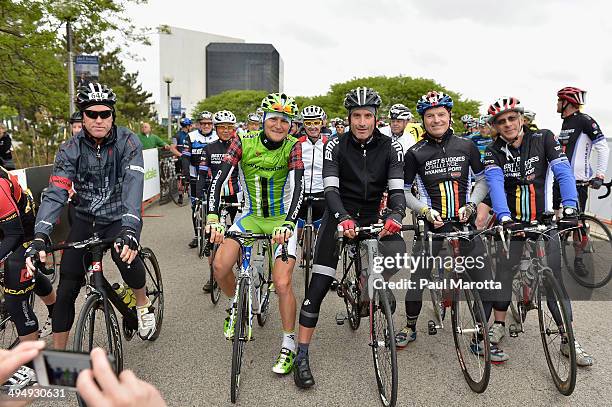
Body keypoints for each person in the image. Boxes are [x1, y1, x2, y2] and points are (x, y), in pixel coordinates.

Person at [24, 82, 156, 349]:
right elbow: (56, 191)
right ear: (82, 116)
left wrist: (130, 229)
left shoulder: (127, 141)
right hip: (85, 219)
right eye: (91, 114)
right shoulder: (70, 149)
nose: (98, 119)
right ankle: (61, 359)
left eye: (104, 113)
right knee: (66, 290)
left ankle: (142, 304)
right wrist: (40, 235)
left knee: (125, 255)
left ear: (112, 115)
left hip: (119, 216)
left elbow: (133, 185)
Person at [293, 87, 407, 388]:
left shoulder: (391, 148)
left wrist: (395, 216)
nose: (361, 122)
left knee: (398, 252)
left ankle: (368, 283)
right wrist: (343, 218)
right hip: (338, 214)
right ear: (349, 118)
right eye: (356, 115)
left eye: (367, 115)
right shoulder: (335, 145)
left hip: (373, 215)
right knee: (317, 287)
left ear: (376, 118)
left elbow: (397, 192)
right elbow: (330, 190)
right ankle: (301, 355)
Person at [483, 96, 593, 366]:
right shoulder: (493, 151)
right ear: (495, 126)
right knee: (505, 272)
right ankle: (498, 324)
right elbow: (496, 185)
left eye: (512, 118)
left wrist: (569, 207)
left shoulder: (544, 138)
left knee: (553, 279)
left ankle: (569, 339)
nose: (507, 124)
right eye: (501, 121)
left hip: (544, 221)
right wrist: (504, 218)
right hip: (514, 223)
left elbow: (563, 172)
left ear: (522, 119)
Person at [206, 93, 304, 375]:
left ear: (290, 125)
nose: (278, 124)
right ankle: (236, 304)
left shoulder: (292, 146)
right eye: (273, 118)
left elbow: (299, 188)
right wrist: (213, 216)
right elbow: (220, 178)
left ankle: (288, 343)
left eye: (284, 121)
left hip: (281, 219)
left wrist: (289, 223)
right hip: (249, 217)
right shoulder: (243, 140)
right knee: (220, 266)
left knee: (283, 283)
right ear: (262, 119)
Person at [398, 91, 500, 360]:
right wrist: (425, 210)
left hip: (464, 223)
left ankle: (480, 336)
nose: (436, 119)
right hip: (432, 224)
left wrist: (472, 205)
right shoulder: (415, 153)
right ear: (423, 119)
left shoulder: (466, 146)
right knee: (418, 280)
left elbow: (483, 180)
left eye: (441, 114)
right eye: (430, 115)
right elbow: (405, 191)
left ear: (449, 116)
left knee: (485, 282)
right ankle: (409, 327)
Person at [197, 110, 241, 293]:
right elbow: (201, 175)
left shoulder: (240, 147)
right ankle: (213, 276)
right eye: (222, 127)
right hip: (215, 196)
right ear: (215, 128)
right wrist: (199, 197)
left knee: (238, 234)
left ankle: (241, 269)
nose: (225, 130)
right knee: (211, 238)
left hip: (235, 195)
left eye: (229, 127)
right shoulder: (208, 148)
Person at [554, 87, 609, 218]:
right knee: (556, 221)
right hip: (559, 179)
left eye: (559, 100)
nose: (556, 103)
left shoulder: (585, 120)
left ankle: (583, 235)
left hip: (577, 182)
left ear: (566, 102)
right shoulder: (566, 122)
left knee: (576, 224)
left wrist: (599, 175)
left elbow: (603, 147)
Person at [183, 111, 218, 248]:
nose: (206, 126)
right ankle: (197, 235)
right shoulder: (191, 136)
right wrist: (185, 173)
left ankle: (213, 233)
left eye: (209, 123)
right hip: (195, 175)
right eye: (203, 123)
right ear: (199, 124)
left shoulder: (217, 136)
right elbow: (185, 156)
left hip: (213, 175)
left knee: (214, 205)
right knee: (195, 205)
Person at [296, 105, 328, 242]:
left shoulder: (329, 144)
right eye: (308, 123)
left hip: (322, 193)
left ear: (322, 123)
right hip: (300, 193)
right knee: (297, 237)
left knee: (321, 238)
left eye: (316, 122)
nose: (312, 127)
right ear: (303, 124)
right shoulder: (296, 144)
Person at [172, 118, 193, 205]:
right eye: (190, 125)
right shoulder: (177, 136)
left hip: (187, 158)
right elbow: (172, 148)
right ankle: (180, 195)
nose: (191, 127)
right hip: (181, 159)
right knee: (180, 177)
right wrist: (181, 155)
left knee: (184, 176)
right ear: (187, 126)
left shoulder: (191, 135)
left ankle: (186, 191)